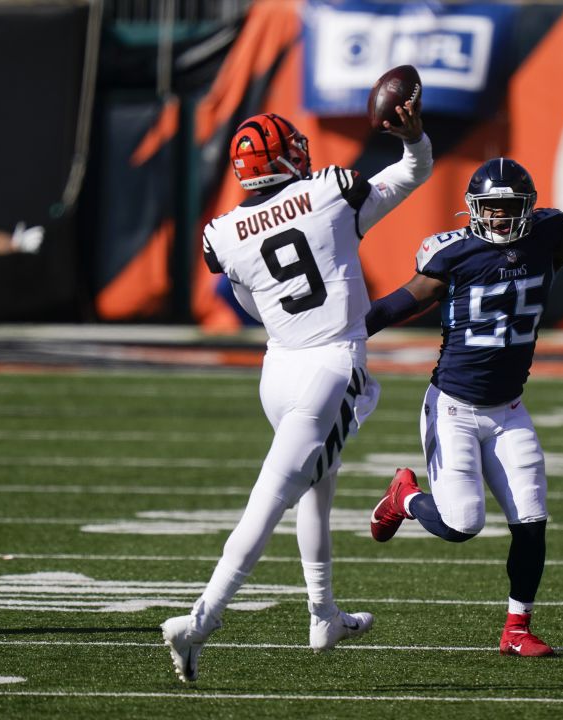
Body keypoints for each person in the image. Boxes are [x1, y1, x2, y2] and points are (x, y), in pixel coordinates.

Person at [161, 103, 432, 681]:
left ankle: (323, 614)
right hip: (329, 367)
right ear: (285, 157)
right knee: (272, 497)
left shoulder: (222, 234)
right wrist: (414, 141)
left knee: (317, 484)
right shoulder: (333, 192)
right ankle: (200, 621)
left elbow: (246, 300)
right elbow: (411, 173)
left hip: (278, 369)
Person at [364, 86, 563, 657]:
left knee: (531, 518)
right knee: (462, 524)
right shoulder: (453, 255)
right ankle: (404, 496)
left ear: (528, 207)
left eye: (513, 209)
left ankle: (517, 628)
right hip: (454, 407)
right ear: (475, 210)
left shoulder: (546, 239)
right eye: (494, 210)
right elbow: (397, 305)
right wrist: (342, 336)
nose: (504, 219)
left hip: (509, 409)